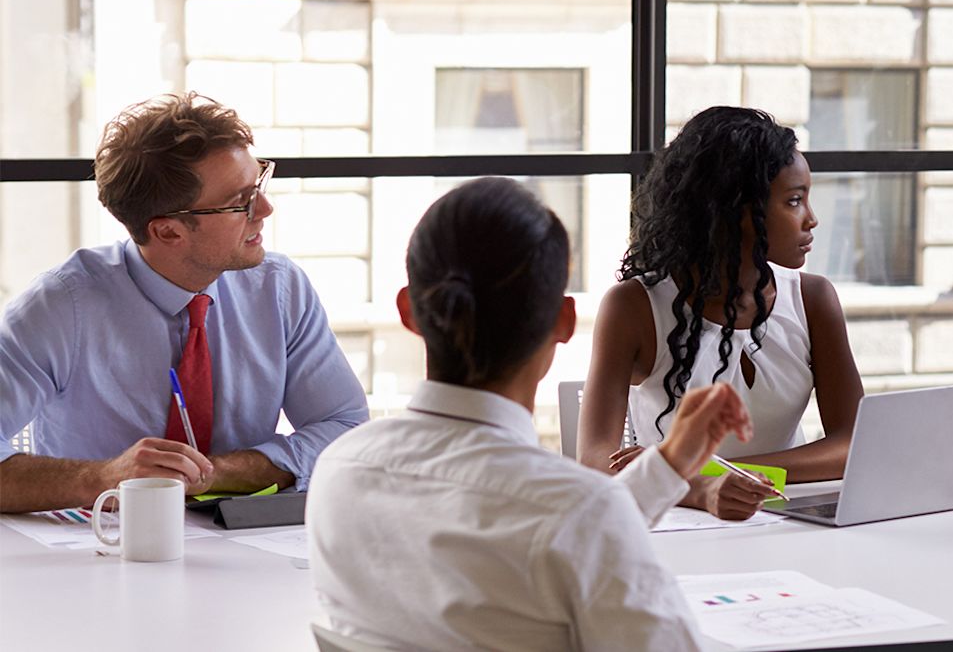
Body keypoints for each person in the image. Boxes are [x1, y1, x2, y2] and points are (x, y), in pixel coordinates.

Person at [309, 177, 751, 651]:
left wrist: (666, 467)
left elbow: (574, 533)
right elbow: (579, 532)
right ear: (564, 322)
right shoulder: (575, 511)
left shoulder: (339, 468)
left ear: (408, 312)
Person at [0, 92, 367, 513]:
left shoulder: (279, 289)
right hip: (100, 550)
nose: (265, 208)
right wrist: (101, 478)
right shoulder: (61, 306)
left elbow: (346, 431)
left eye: (259, 184)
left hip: (251, 549)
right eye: (240, 202)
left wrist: (218, 472)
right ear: (169, 232)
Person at [580, 106, 862, 520]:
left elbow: (855, 442)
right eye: (794, 201)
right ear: (736, 210)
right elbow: (594, 460)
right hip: (677, 526)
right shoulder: (633, 306)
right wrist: (698, 489)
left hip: (787, 521)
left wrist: (726, 476)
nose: (812, 219)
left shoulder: (814, 299)